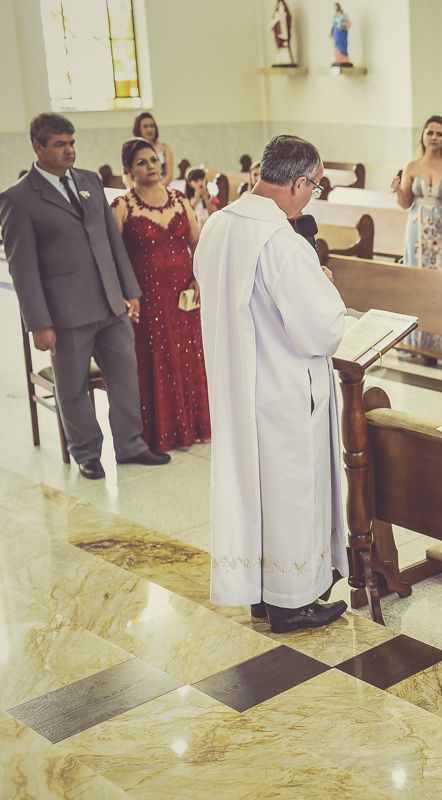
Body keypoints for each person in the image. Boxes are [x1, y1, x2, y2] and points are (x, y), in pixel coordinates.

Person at [192, 134, 347, 632]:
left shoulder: (219, 222)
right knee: (290, 492)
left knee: (255, 490)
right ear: (298, 182)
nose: (311, 197)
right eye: (314, 187)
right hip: (284, 389)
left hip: (239, 382)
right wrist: (323, 285)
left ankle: (261, 593)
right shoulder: (282, 240)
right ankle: (292, 600)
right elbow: (318, 328)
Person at [0, 113, 169, 480]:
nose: (69, 151)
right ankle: (87, 453)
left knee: (126, 378)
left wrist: (130, 291)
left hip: (111, 303)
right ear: (38, 146)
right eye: (60, 144)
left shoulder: (89, 181)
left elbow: (112, 242)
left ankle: (131, 445)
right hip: (65, 313)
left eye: (72, 143)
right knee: (73, 389)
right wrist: (39, 324)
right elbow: (22, 269)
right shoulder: (18, 199)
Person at [109, 137, 208, 453]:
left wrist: (198, 277)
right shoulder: (122, 207)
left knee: (188, 355)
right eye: (141, 162)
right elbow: (111, 257)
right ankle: (158, 434)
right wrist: (126, 295)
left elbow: (198, 242)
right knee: (153, 359)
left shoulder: (180, 199)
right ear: (128, 170)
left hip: (183, 296)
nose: (150, 166)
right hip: (147, 299)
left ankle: (193, 427)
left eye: (153, 160)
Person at [393, 116, 442, 352]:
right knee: (418, 283)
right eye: (430, 133)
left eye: (439, 134)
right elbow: (405, 202)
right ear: (423, 135)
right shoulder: (413, 166)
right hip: (417, 229)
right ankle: (417, 342)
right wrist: (398, 190)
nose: (434, 138)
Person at [132, 112, 174, 187]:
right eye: (145, 126)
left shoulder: (165, 148)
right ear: (138, 129)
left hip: (161, 190)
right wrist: (138, 192)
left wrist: (154, 189)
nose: (149, 129)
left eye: (152, 126)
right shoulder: (131, 149)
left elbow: (169, 176)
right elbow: (126, 177)